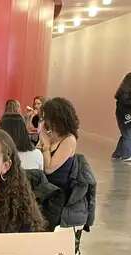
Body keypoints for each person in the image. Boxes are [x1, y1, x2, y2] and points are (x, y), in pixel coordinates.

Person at [37, 97, 96, 238]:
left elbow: (49, 168)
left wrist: (45, 145)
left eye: (47, 117)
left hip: (57, 193)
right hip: (45, 188)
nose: (45, 121)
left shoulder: (69, 140)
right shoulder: (51, 135)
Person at [112, 73, 131, 161]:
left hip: (123, 114)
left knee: (125, 135)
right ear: (130, 80)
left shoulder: (125, 90)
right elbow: (126, 102)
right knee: (129, 135)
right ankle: (126, 155)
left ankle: (117, 154)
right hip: (126, 115)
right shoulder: (125, 91)